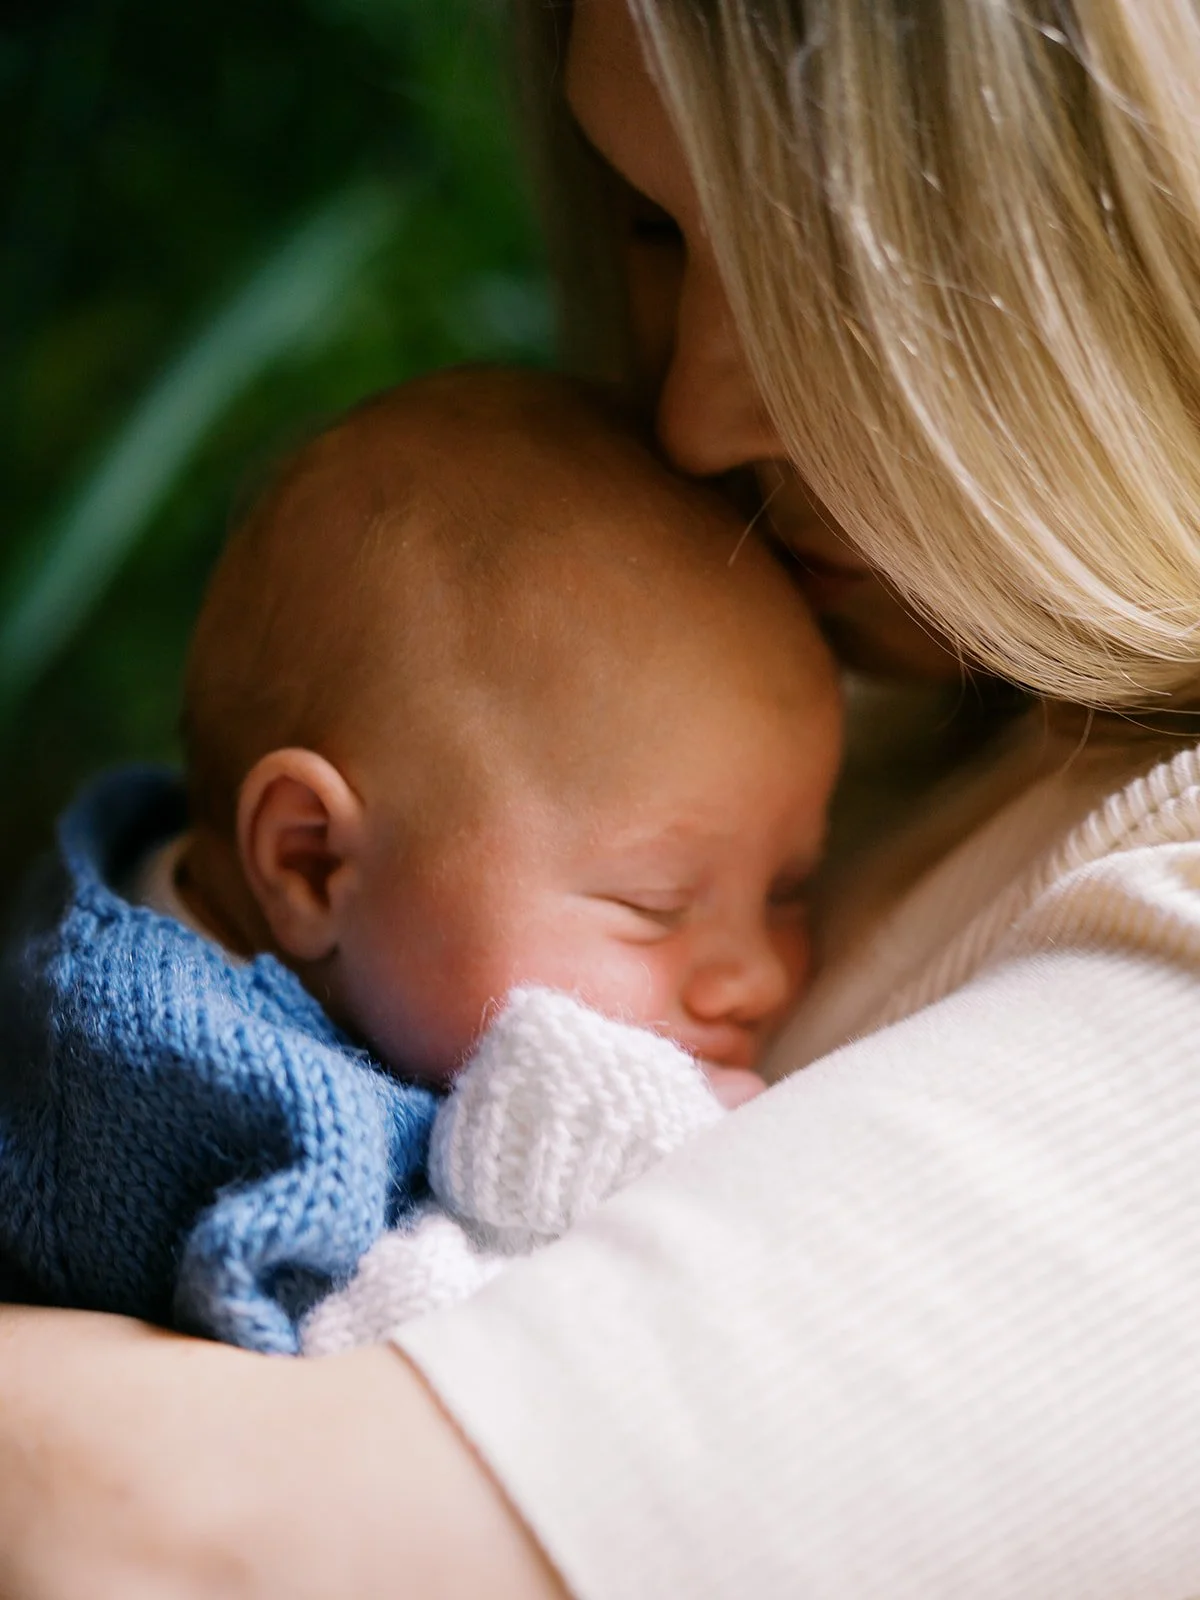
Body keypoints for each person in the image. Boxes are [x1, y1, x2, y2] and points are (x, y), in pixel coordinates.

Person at [3, 0, 1200, 1594]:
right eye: (649, 224)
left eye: (833, 280)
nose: (698, 418)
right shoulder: (834, 669)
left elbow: (174, 1539)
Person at [0, 366, 838, 1351]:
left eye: (787, 888)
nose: (761, 972)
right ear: (313, 862)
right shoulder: (173, 1088)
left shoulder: (283, 929)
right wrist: (659, 1151)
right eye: (654, 901)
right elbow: (401, 1354)